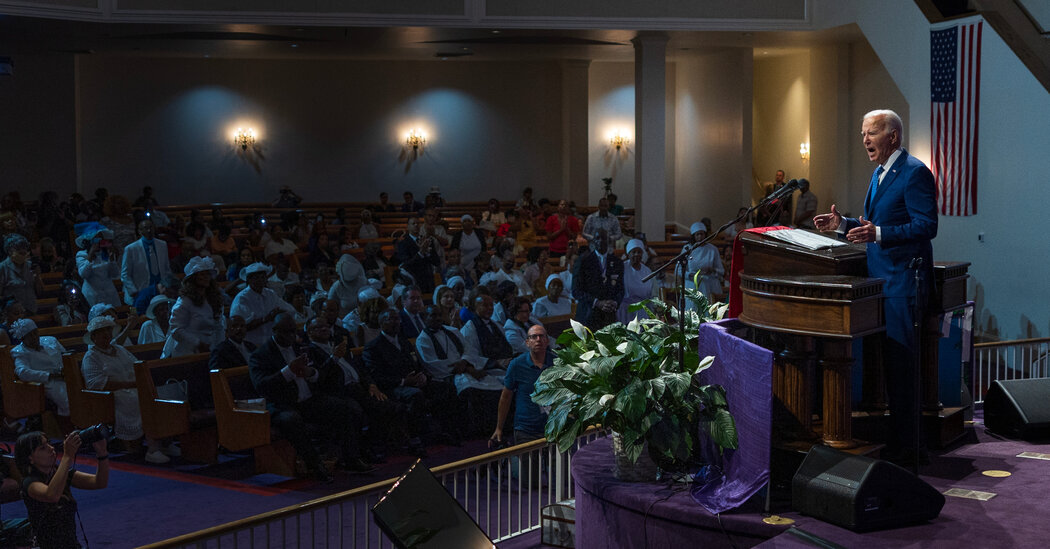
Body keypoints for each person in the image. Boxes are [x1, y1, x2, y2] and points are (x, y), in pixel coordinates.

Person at [813, 108, 937, 464]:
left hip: (903, 283)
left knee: (903, 372)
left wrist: (878, 233)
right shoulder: (879, 173)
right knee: (888, 371)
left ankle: (912, 452)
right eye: (863, 133)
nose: (864, 139)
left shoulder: (914, 173)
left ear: (893, 137)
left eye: (872, 133)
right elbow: (874, 224)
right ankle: (897, 446)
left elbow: (926, 226)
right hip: (880, 282)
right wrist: (842, 224)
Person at [250, 314, 373, 482]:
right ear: (275, 331)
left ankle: (351, 458)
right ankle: (315, 465)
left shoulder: (301, 347)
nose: (291, 336)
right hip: (282, 404)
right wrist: (288, 371)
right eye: (286, 332)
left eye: (293, 332)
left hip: (308, 400)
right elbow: (262, 386)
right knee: (292, 419)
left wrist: (311, 373)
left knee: (346, 407)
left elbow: (317, 374)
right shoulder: (261, 354)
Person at [82, 315, 171, 463]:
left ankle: (164, 441)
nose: (106, 335)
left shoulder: (119, 349)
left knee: (161, 394)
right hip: (113, 394)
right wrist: (129, 384)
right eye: (101, 331)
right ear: (93, 336)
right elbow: (95, 384)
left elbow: (138, 366)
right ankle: (152, 447)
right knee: (138, 400)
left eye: (108, 331)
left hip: (133, 387)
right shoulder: (91, 356)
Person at [16, 430, 109, 549]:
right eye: (43, 448)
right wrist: (67, 456)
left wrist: (102, 454)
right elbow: (52, 495)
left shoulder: (61, 474)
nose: (51, 448)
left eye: (49, 443)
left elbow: (99, 482)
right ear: (30, 458)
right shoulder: (29, 483)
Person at [490, 324, 553, 447]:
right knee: (529, 466)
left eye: (541, 336)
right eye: (534, 337)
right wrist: (499, 428)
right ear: (527, 342)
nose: (538, 340)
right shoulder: (516, 365)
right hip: (526, 429)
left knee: (559, 466)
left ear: (547, 341)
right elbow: (506, 397)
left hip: (553, 426)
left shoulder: (557, 362)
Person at [163, 256, 226, 358]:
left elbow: (219, 326)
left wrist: (219, 347)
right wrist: (198, 344)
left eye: (207, 274)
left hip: (211, 350)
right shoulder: (185, 301)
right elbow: (176, 329)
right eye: (202, 274)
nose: (206, 277)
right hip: (188, 352)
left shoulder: (213, 299)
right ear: (194, 278)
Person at [10, 319, 70, 422]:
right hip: (49, 382)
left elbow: (66, 356)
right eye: (30, 335)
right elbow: (22, 372)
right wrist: (50, 375)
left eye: (35, 333)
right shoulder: (20, 352)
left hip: (67, 375)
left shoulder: (51, 340)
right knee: (67, 400)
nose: (35, 337)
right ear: (23, 339)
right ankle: (69, 424)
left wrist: (68, 369)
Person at [231, 263, 296, 348]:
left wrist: (279, 314)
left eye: (263, 277)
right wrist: (266, 318)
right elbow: (241, 327)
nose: (260, 280)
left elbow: (290, 310)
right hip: (250, 344)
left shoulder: (270, 293)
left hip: (271, 343)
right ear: (249, 280)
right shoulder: (242, 298)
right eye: (256, 278)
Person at [572, 228, 624, 330]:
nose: (600, 241)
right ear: (593, 241)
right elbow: (576, 290)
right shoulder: (583, 261)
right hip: (588, 316)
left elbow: (621, 289)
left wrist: (614, 302)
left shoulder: (617, 262)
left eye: (603, 238)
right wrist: (597, 303)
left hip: (609, 317)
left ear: (608, 241)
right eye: (597, 238)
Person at [121, 219, 171, 309]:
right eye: (145, 228)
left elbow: (166, 268)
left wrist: (166, 286)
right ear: (140, 231)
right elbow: (125, 274)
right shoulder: (131, 249)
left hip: (159, 290)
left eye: (151, 227)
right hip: (140, 291)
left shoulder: (162, 245)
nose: (149, 230)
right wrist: (134, 291)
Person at [74, 222, 122, 308]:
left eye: (100, 239)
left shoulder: (106, 253)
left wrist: (112, 260)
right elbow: (83, 274)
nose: (99, 242)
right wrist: (90, 255)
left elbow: (115, 274)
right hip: (93, 295)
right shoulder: (81, 255)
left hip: (109, 295)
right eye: (96, 239)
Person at [0, 233, 43, 314]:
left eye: (24, 250)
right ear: (10, 251)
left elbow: (39, 292)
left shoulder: (30, 265)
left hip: (31, 309)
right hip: (12, 314)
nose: (23, 252)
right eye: (19, 250)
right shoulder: (2, 268)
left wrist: (37, 276)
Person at [684, 222, 725, 304]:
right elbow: (679, 270)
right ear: (693, 236)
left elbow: (721, 271)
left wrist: (712, 270)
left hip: (708, 284)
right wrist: (690, 274)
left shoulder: (713, 249)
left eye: (702, 234)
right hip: (692, 284)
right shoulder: (687, 248)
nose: (700, 237)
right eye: (697, 234)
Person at [618, 239, 655, 324]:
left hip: (642, 310)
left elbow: (650, 292)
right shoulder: (622, 268)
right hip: (626, 310)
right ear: (628, 253)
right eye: (633, 252)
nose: (636, 254)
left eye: (639, 252)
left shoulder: (647, 270)